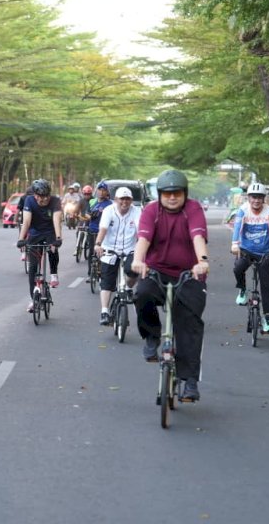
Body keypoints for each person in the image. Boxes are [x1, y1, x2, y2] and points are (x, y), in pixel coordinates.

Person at [131, 170, 209, 402]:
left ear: (184, 193)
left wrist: (202, 263)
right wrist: (137, 260)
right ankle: (152, 336)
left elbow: (198, 237)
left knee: (189, 325)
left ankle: (190, 382)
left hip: (189, 274)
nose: (172, 197)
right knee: (142, 293)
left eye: (177, 193)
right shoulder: (151, 211)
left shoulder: (193, 209)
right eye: (167, 194)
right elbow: (143, 239)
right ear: (160, 195)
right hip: (156, 271)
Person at [231, 182, 269, 333]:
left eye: (260, 197)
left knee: (265, 285)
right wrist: (234, 244)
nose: (256, 201)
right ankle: (242, 289)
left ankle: (267, 317)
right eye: (253, 197)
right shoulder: (242, 210)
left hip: (265, 252)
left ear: (264, 198)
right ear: (248, 198)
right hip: (246, 250)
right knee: (238, 268)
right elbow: (237, 228)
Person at [94, 186, 141, 326]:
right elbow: (103, 229)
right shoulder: (109, 211)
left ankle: (128, 288)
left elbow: (141, 231)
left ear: (131, 200)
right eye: (122, 199)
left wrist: (142, 247)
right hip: (109, 250)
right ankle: (104, 311)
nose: (124, 202)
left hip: (130, 249)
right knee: (107, 282)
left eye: (127, 199)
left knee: (133, 271)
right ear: (116, 200)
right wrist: (98, 244)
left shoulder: (137, 211)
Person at [16, 179, 63, 312]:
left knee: (53, 249)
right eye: (41, 197)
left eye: (46, 196)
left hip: (50, 232)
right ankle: (33, 299)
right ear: (35, 195)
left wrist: (58, 238)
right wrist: (21, 239)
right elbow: (26, 221)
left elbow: (56, 219)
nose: (44, 199)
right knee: (33, 268)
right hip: (35, 233)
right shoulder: (29, 201)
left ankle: (54, 273)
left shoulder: (55, 201)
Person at [86, 181, 113, 279]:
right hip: (92, 230)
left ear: (107, 192)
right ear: (96, 191)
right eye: (100, 190)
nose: (101, 192)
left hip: (104, 233)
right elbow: (87, 213)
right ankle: (90, 274)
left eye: (103, 190)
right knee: (91, 252)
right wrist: (90, 216)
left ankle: (103, 272)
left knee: (103, 253)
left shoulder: (110, 204)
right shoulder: (92, 202)